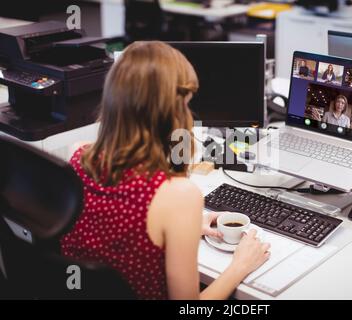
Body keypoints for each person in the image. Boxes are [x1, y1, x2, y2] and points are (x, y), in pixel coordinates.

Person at [60, 41, 270, 300]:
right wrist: (241, 265)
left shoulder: (78, 157)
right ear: (170, 112)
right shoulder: (178, 194)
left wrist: (184, 226)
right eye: (186, 104)